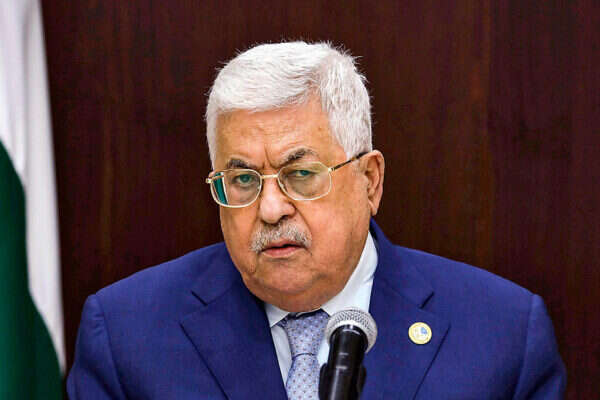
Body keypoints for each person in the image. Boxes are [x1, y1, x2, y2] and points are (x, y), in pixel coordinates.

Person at [67, 42, 566, 399]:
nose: (270, 209)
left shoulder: (501, 336)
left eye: (301, 174)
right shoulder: (127, 335)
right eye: (243, 180)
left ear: (370, 181)